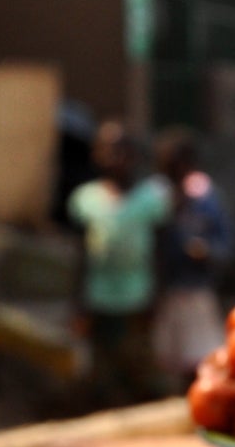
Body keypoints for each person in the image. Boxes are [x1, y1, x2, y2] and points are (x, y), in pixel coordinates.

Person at [66, 121, 173, 403]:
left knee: (141, 372)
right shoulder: (86, 199)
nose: (116, 158)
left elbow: (161, 250)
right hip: (99, 300)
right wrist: (78, 304)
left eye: (123, 150)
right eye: (109, 150)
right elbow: (82, 254)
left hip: (138, 298)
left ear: (135, 155)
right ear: (97, 154)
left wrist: (158, 296)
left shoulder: (151, 198)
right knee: (101, 378)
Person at [152, 126, 235, 384]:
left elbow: (227, 244)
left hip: (195, 292)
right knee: (165, 362)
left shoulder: (205, 199)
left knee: (202, 361)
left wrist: (206, 252)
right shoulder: (156, 197)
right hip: (163, 294)